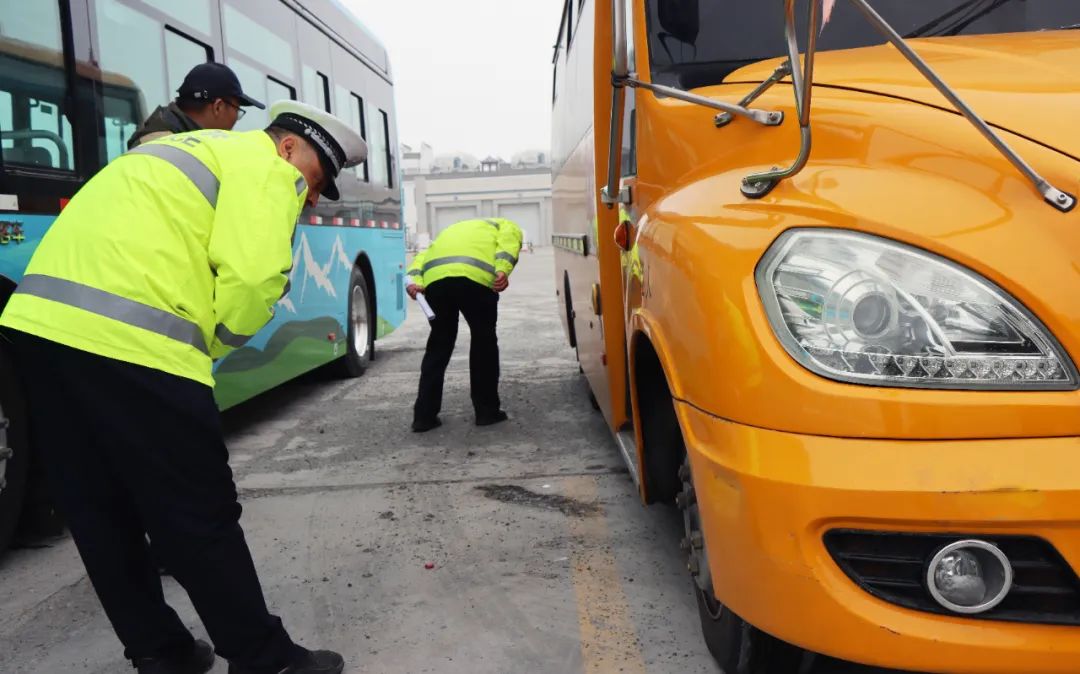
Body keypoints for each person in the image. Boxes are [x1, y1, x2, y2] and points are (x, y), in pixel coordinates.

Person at [0, 100, 365, 674]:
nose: (312, 196)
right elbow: (251, 278)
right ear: (290, 147)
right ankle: (265, 659)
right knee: (198, 511)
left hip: (38, 333)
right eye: (317, 179)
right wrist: (214, 343)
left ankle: (159, 651)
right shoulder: (266, 169)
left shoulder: (172, 148)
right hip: (134, 345)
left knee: (98, 508)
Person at [406, 217, 523, 432]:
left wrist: (416, 283)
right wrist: (502, 270)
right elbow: (508, 245)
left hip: (436, 282)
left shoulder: (448, 231)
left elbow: (422, 257)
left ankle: (423, 417)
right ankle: (486, 412)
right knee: (483, 340)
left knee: (439, 344)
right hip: (475, 281)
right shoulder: (505, 225)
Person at [128, 62, 265, 149]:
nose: (235, 122)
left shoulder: (161, 138)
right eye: (237, 110)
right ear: (218, 107)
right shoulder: (169, 149)